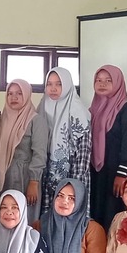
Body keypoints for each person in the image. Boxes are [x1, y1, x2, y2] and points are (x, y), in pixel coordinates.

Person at [89, 65, 127, 229]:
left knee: (113, 217)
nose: (102, 84)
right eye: (98, 80)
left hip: (116, 175)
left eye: (108, 80)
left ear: (118, 83)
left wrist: (122, 174)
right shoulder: (93, 111)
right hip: (97, 174)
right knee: (96, 216)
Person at [39, 67, 92, 218]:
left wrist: (75, 184)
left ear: (68, 85)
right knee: (48, 219)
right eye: (49, 84)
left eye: (59, 84)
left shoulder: (78, 111)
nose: (53, 88)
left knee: (70, 215)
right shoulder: (42, 107)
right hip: (47, 174)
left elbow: (83, 151)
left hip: (73, 172)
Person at [0, 80, 48, 221]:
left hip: (26, 177)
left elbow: (39, 153)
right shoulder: (3, 119)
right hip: (5, 176)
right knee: (6, 217)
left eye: (19, 93)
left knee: (25, 218)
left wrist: (34, 181)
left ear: (27, 95)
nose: (14, 97)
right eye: (10, 93)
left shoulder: (36, 120)